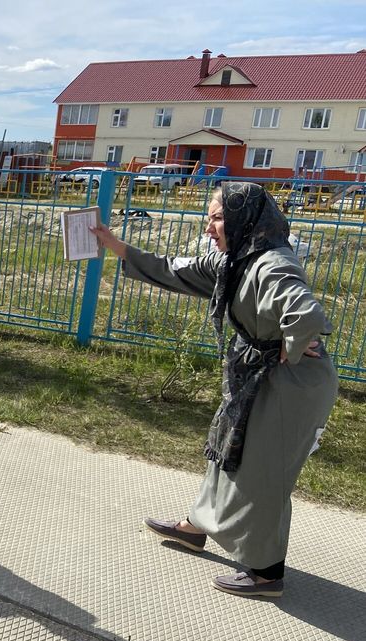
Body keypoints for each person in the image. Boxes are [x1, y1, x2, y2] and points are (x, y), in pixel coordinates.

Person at [91, 182, 339, 598]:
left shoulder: (272, 263)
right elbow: (174, 269)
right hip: (257, 374)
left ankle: (266, 573)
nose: (209, 228)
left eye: (217, 218)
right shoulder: (233, 261)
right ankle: (197, 526)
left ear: (245, 220)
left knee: (263, 473)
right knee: (226, 451)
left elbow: (306, 313)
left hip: (293, 385)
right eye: (210, 217)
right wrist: (114, 244)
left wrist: (293, 344)